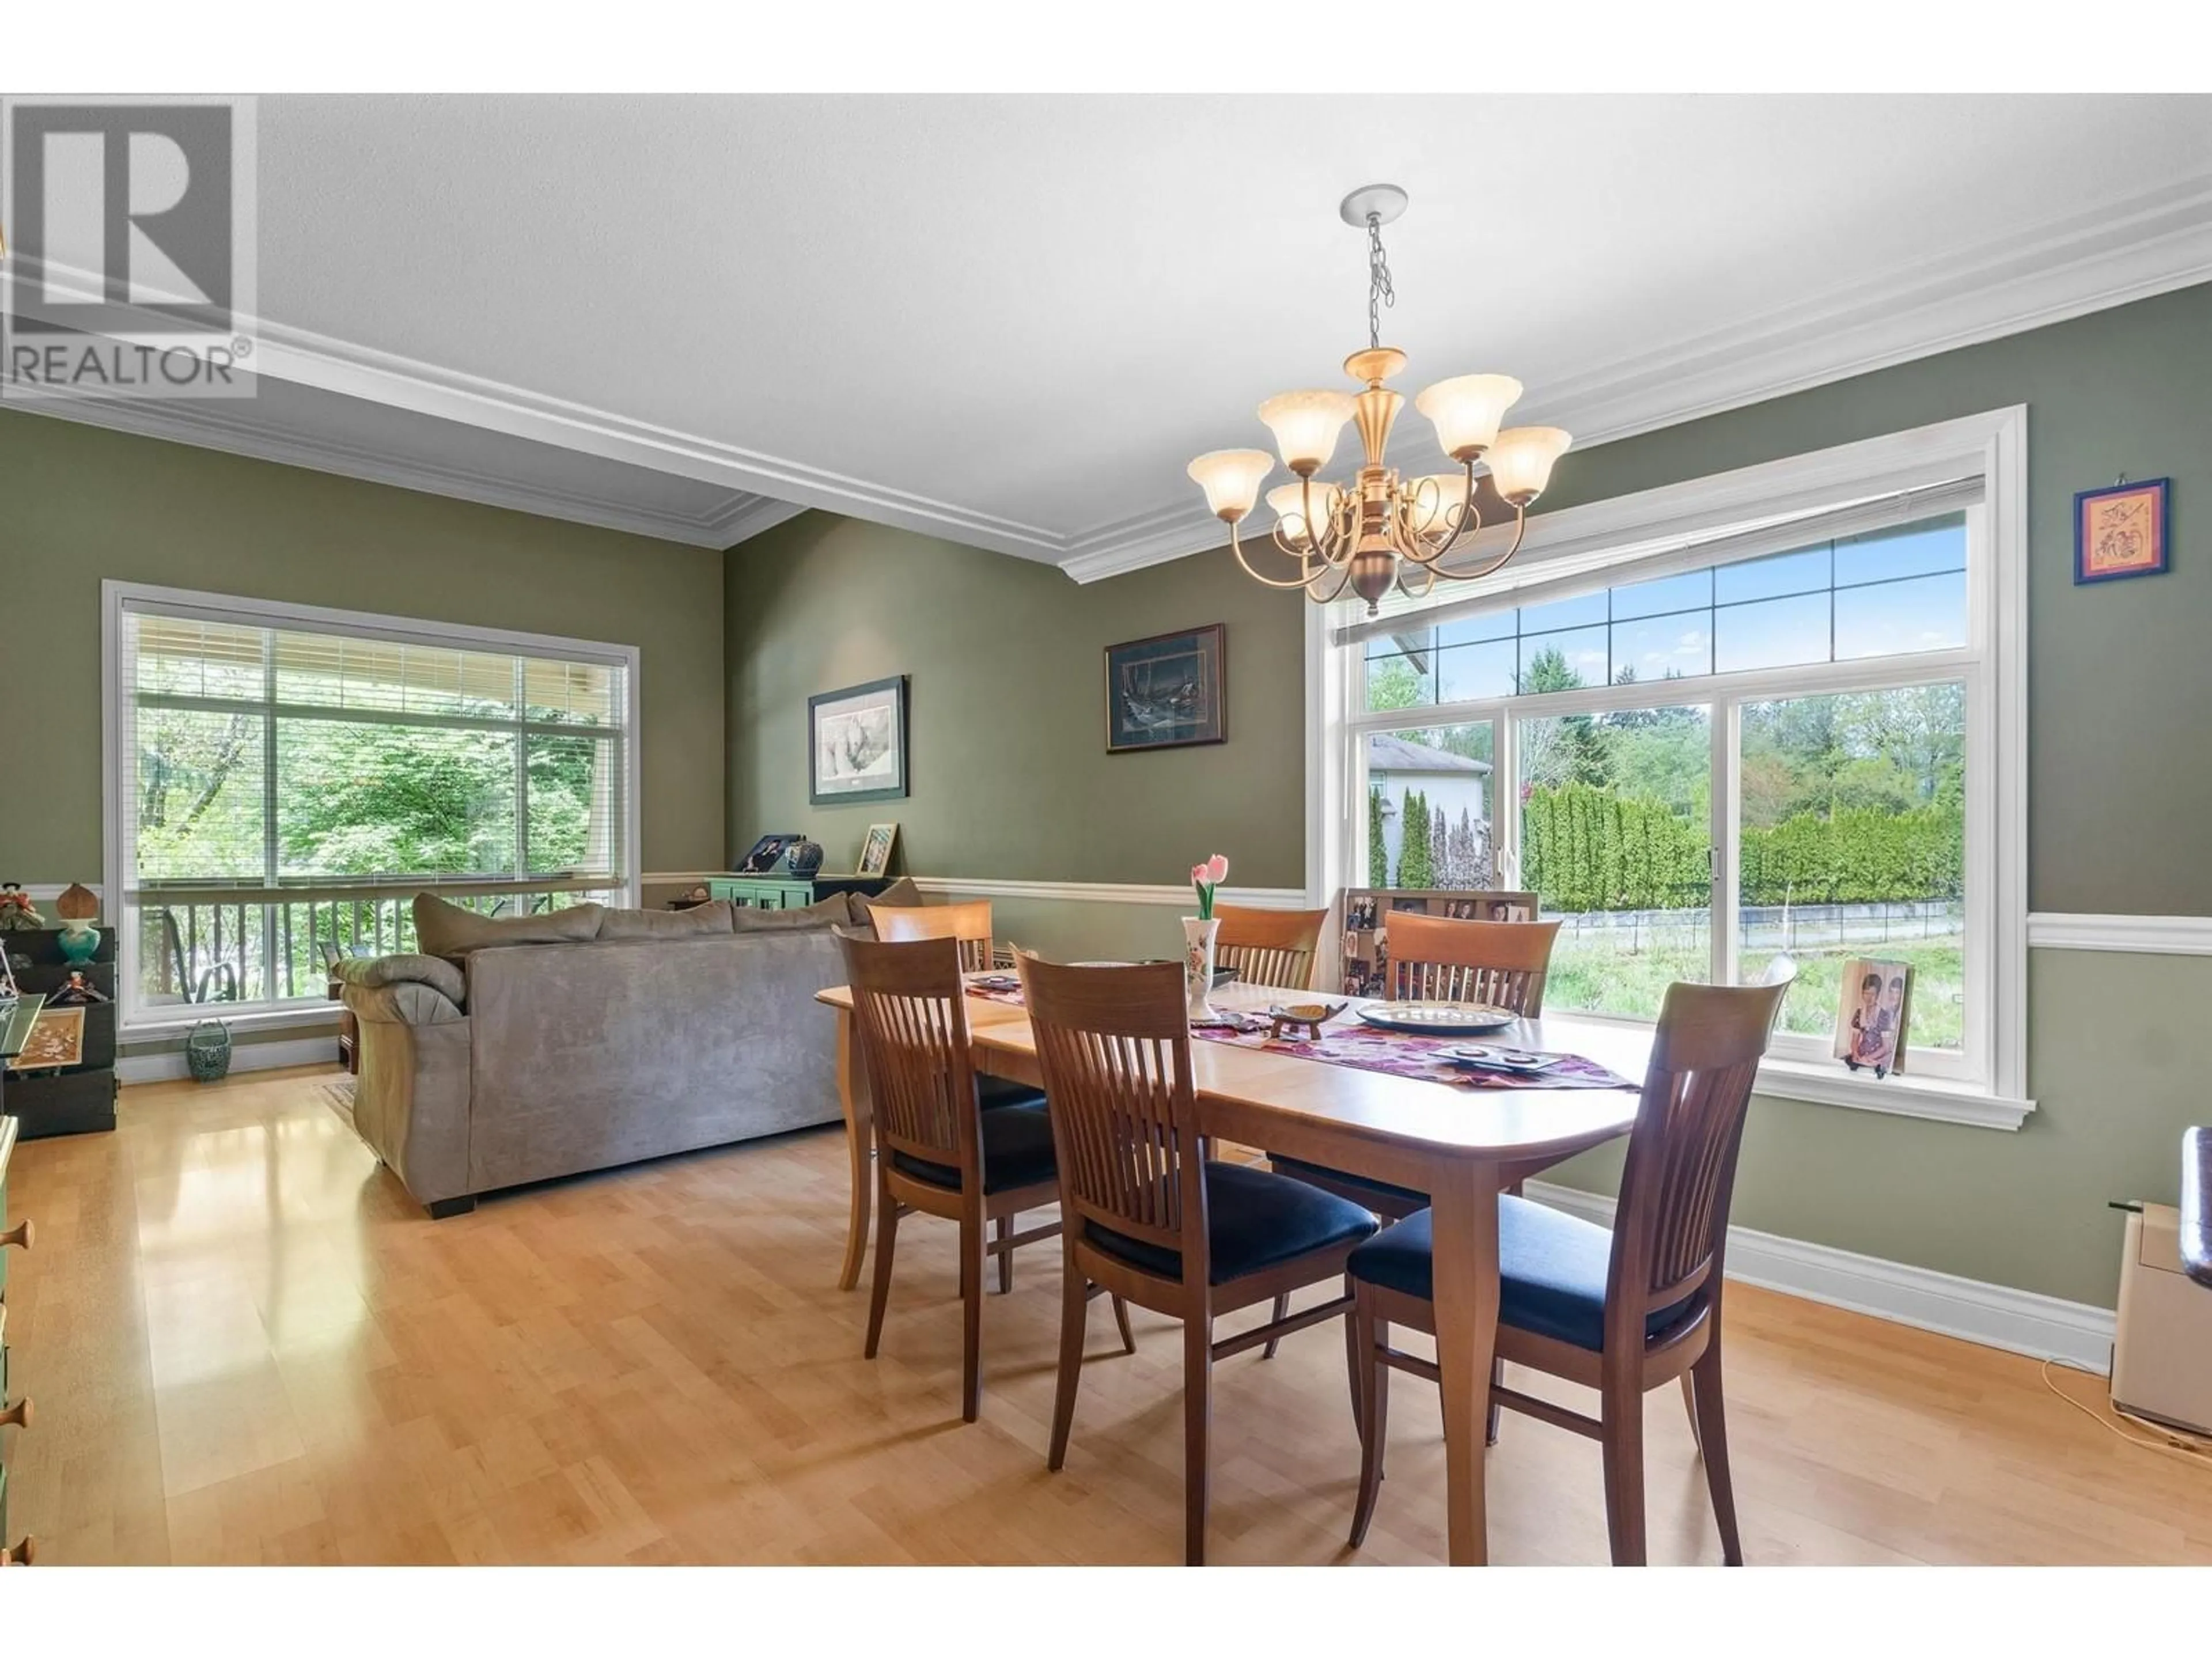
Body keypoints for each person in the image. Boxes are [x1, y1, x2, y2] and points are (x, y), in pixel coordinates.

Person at [1845, 970, 1893, 1072]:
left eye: (1873, 994)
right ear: (1862, 994)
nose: (1869, 998)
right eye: (1866, 993)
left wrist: (1869, 1058)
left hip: (1877, 1055)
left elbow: (1886, 1047)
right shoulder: (1860, 1013)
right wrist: (1855, 1053)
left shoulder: (1884, 1015)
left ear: (1878, 995)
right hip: (1862, 1054)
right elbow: (1855, 1040)